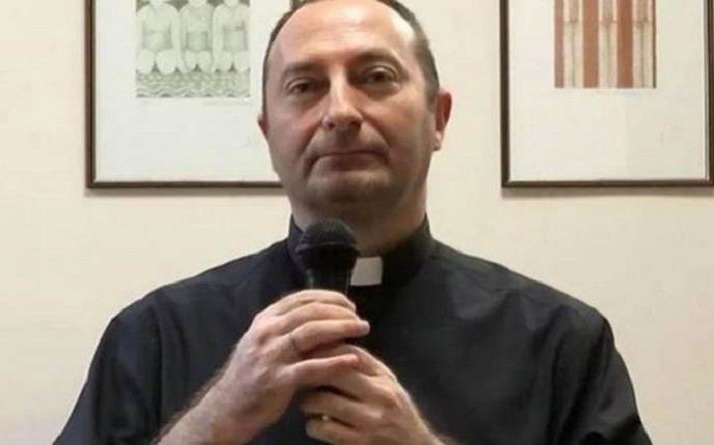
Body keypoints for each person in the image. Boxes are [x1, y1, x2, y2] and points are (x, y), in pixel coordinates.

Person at [58, 0, 651, 443]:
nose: (340, 111)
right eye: (305, 86)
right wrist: (216, 419)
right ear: (268, 134)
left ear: (438, 118)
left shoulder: (560, 344)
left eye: (375, 77)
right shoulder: (155, 337)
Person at [136, 0, 186, 75]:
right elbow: (138, 40)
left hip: (166, 50)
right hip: (147, 50)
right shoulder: (142, 12)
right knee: (143, 68)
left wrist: (180, 60)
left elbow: (176, 38)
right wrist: (133, 58)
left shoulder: (172, 11)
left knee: (168, 69)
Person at [212, 0, 250, 73]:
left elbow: (249, 35)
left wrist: (250, 55)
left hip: (242, 52)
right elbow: (217, 37)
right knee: (224, 65)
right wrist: (216, 60)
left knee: (241, 66)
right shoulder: (219, 11)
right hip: (225, 52)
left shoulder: (245, 10)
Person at [180, 0, 215, 73]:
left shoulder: (211, 10)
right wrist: (183, 53)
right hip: (189, 52)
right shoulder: (184, 11)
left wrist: (211, 52)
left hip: (206, 51)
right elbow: (181, 36)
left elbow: (214, 35)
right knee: (187, 62)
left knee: (206, 62)